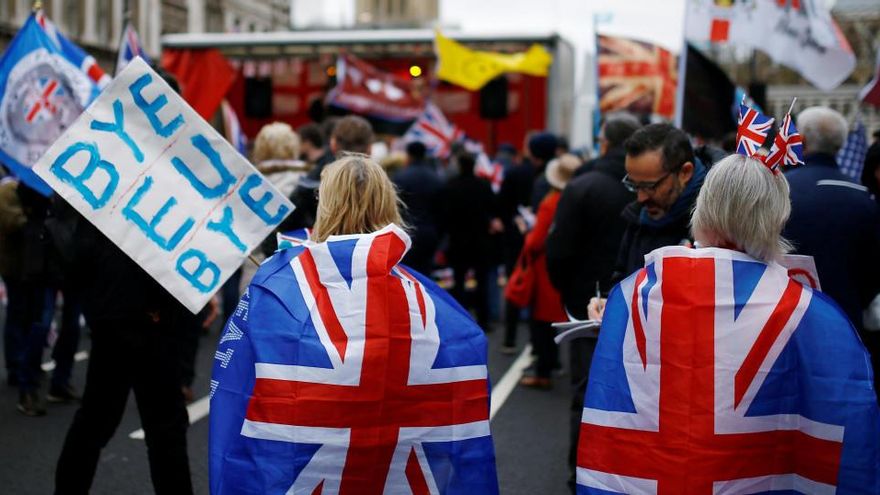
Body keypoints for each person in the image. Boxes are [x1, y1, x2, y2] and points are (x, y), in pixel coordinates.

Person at [577, 153, 880, 492]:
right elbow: (845, 420)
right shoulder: (808, 311)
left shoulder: (634, 296)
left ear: (702, 206)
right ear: (777, 217)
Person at [209, 154, 499, 493]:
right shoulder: (430, 301)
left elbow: (234, 389)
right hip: (397, 469)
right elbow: (461, 391)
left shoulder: (277, 287)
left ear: (326, 204)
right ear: (389, 204)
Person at [54, 70, 193, 495]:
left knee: (98, 418)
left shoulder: (97, 156)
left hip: (113, 315)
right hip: (148, 315)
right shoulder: (176, 166)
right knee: (163, 426)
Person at [544, 114, 640, 486]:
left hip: (590, 303)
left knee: (587, 391)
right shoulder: (657, 188)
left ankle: (582, 475)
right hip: (646, 303)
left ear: (604, 143)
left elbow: (558, 250)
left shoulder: (583, 185)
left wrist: (571, 293)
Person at [783, 107, 880, 395]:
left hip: (781, 331)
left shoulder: (777, 190)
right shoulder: (864, 199)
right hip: (845, 332)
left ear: (799, 139)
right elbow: (873, 275)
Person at [518, 154, 580, 389]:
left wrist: (527, 233)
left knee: (542, 319)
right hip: (567, 264)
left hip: (545, 266)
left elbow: (535, 241)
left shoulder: (551, 201)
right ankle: (553, 363)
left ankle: (543, 371)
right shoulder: (575, 198)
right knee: (554, 316)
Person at [284, 115, 374, 230]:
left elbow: (284, 227)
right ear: (370, 148)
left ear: (333, 143)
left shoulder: (308, 183)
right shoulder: (381, 189)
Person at [442, 152, 497, 330]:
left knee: (458, 282)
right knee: (482, 282)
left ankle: (459, 319)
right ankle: (484, 320)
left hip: (458, 240)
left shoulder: (451, 186)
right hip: (481, 240)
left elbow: (446, 215)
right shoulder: (483, 185)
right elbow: (492, 210)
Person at [393, 141, 443, 275]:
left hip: (407, 232)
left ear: (408, 155)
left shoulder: (400, 177)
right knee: (426, 273)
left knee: (406, 274)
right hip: (430, 233)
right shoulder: (436, 179)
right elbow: (442, 210)